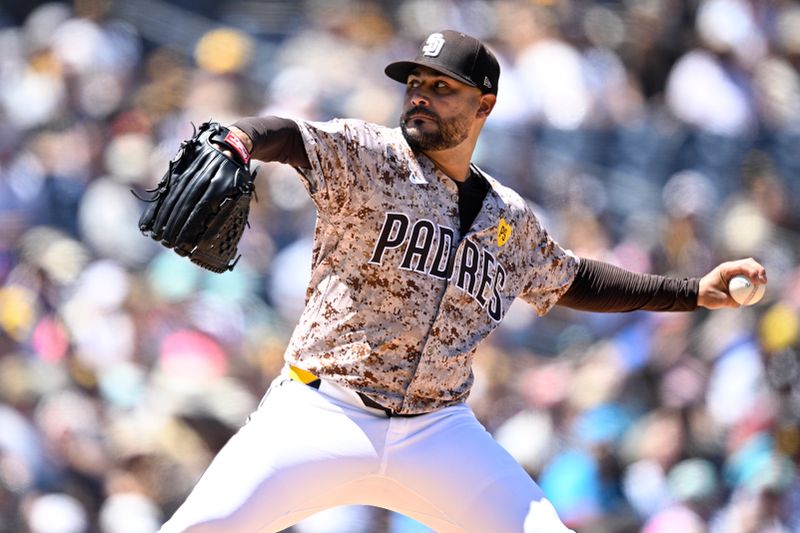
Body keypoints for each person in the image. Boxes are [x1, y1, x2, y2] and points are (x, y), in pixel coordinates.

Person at [159, 30, 768, 532]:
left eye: (441, 87)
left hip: (437, 431)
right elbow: (290, 136)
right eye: (415, 84)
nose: (419, 97)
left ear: (484, 105)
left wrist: (693, 291)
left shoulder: (509, 217)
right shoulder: (370, 155)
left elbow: (574, 279)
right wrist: (241, 139)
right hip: (321, 411)